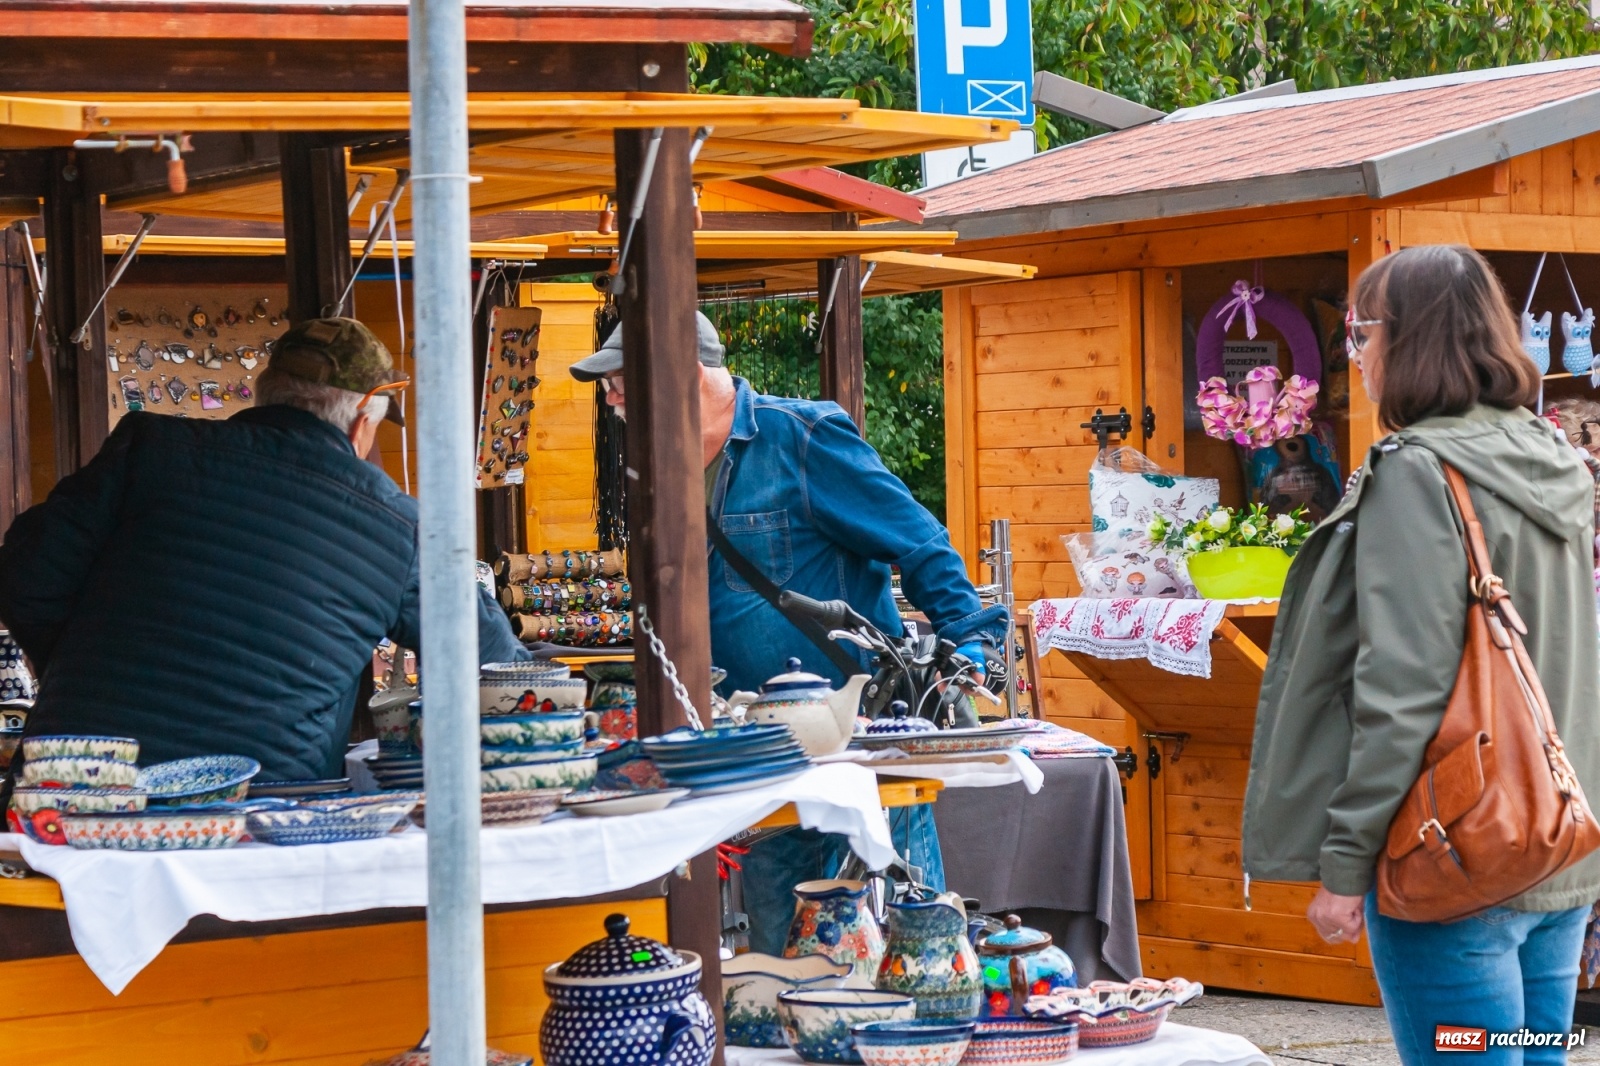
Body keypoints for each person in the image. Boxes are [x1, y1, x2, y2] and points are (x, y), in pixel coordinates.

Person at [1242, 245, 1600, 1065]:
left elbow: (1402, 690)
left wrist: (1343, 866)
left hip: (1456, 858)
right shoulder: (1550, 455)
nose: (1355, 352)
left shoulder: (1417, 472)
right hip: (1556, 844)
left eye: (1361, 331)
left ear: (1409, 339)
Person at [571, 311, 1006, 954]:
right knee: (783, 963)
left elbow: (920, 544)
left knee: (897, 956)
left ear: (683, 373)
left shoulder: (801, 437)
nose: (609, 396)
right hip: (755, 759)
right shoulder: (659, 468)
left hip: (851, 748)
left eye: (621, 380)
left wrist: (971, 645)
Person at [0, 317, 527, 782]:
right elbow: (496, 666)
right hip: (261, 805)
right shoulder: (398, 525)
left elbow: (23, 575)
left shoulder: (148, 449)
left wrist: (85, 668)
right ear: (363, 418)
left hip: (77, 783)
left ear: (266, 392)